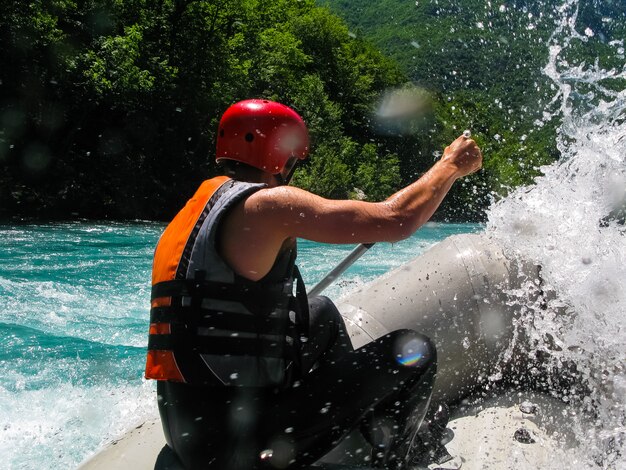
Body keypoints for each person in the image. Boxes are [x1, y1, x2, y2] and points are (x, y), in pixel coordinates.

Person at [145, 99, 482, 469]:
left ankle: (360, 421)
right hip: (236, 450)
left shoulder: (196, 207)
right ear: (282, 157)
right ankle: (399, 459)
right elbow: (397, 218)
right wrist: (450, 165)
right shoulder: (267, 205)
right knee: (412, 348)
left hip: (192, 429)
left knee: (318, 311)